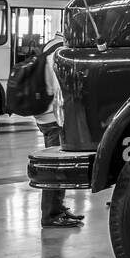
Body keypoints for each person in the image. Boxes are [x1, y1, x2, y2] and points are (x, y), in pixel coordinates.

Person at [35, 34, 82, 228]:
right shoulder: (59, 51)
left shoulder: (51, 45)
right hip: (53, 117)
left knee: (59, 165)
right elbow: (60, 89)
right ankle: (51, 215)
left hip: (45, 115)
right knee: (56, 168)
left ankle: (58, 208)